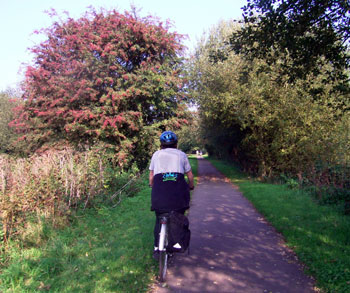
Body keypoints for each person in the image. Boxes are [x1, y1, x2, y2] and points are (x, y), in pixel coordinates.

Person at [149, 131, 194, 258]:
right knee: (178, 214)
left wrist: (152, 185)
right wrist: (191, 186)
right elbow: (190, 175)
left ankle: (157, 247)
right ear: (176, 144)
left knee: (159, 217)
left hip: (159, 194)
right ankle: (176, 243)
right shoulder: (181, 155)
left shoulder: (156, 155)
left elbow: (151, 176)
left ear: (161, 144)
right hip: (177, 195)